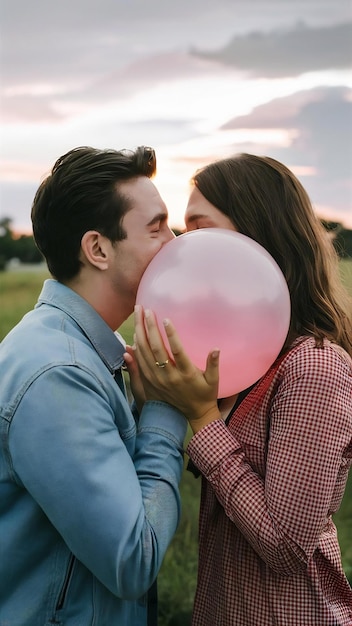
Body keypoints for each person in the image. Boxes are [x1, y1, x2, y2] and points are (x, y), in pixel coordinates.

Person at [126, 153, 352, 626]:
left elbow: (286, 546)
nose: (182, 248)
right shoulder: (244, 359)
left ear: (256, 236)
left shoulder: (314, 368)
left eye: (201, 229)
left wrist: (204, 418)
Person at [0, 145, 188, 626]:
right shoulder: (58, 374)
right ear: (98, 249)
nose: (174, 241)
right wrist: (165, 410)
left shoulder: (77, 351)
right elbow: (132, 561)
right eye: (157, 227)